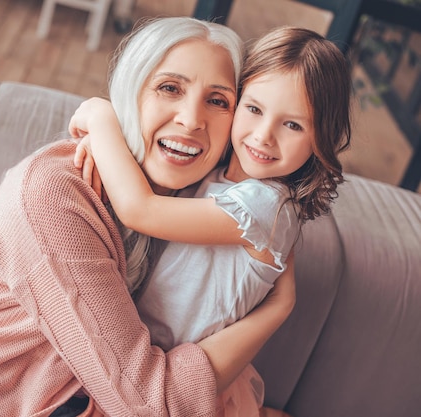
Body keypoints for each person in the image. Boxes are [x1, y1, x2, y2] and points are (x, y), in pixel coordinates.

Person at [0, 17, 296, 417]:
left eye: (219, 101)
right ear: (130, 94)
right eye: (169, 88)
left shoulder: (200, 200)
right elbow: (149, 402)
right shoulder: (56, 194)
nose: (192, 119)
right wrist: (276, 312)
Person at [70, 26, 352, 417]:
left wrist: (100, 118)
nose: (264, 136)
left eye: (293, 125)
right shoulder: (214, 176)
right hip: (138, 359)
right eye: (253, 109)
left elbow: (141, 210)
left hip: (175, 385)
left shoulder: (266, 206)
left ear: (321, 137)